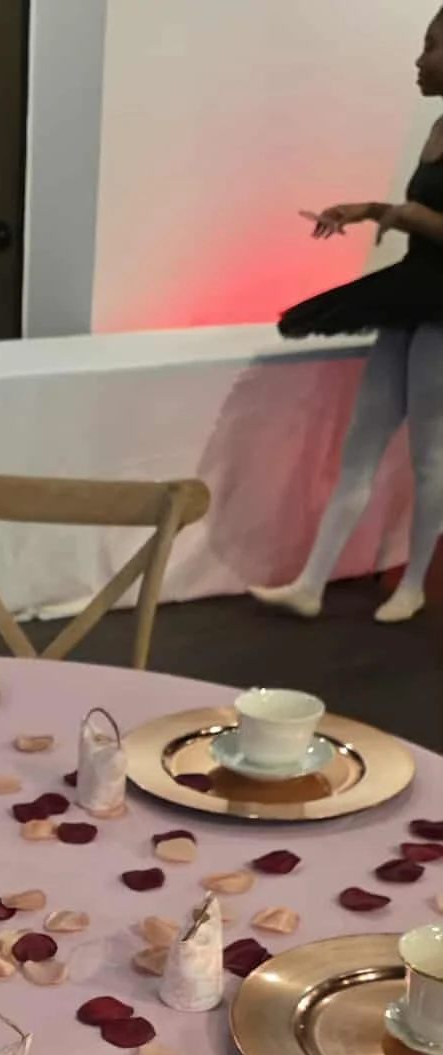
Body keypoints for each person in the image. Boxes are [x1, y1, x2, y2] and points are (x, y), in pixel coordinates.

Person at [252, 11, 443, 625]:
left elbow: (424, 216)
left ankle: (413, 583)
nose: (418, 61)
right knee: (361, 442)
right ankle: (310, 583)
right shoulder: (438, 125)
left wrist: (404, 217)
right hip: (413, 292)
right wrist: (368, 209)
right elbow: (417, 210)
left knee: (430, 456)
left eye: (431, 48)